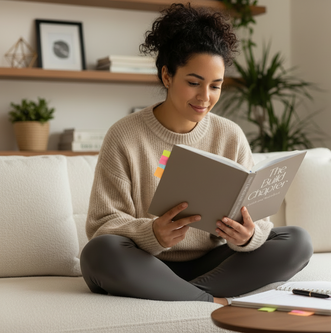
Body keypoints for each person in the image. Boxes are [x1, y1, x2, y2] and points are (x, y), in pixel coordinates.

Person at [80, 3, 313, 305]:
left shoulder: (229, 136)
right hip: (145, 261)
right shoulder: (124, 135)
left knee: (297, 241)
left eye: (215, 86)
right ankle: (209, 300)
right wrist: (153, 233)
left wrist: (247, 236)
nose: (205, 97)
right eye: (194, 83)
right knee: (98, 254)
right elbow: (102, 225)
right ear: (166, 76)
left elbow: (259, 222)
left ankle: (187, 296)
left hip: (213, 263)